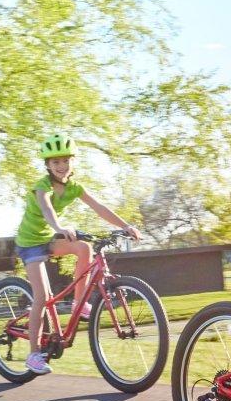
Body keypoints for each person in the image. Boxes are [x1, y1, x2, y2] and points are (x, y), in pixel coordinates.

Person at [16, 134, 142, 375]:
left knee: (85, 248)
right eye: (55, 162)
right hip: (30, 243)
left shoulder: (74, 187)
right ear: (47, 165)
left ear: (72, 161)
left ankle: (79, 303)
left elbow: (99, 207)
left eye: (65, 160)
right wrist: (59, 227)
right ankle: (33, 355)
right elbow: (47, 208)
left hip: (49, 240)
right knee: (42, 296)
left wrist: (126, 226)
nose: (61, 166)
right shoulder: (42, 186)